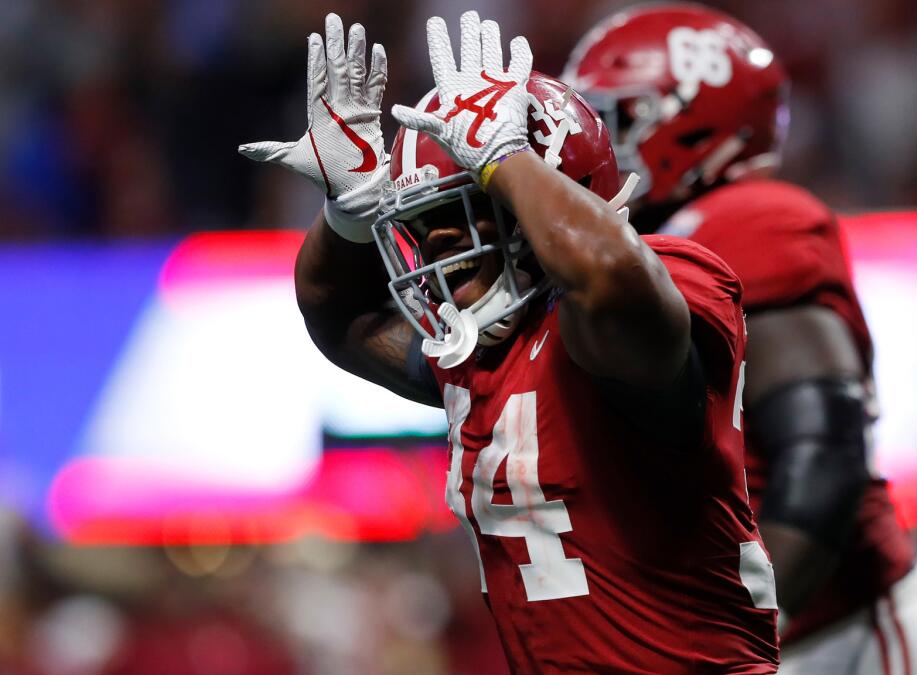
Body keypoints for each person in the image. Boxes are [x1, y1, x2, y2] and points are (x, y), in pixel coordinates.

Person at [241, 11, 779, 673]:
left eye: (459, 213)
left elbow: (606, 281)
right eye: (423, 222)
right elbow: (342, 321)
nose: (436, 244)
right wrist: (348, 216)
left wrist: (504, 160)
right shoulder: (484, 361)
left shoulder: (666, 283)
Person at [564, 5, 917, 674]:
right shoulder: (634, 254)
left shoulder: (746, 221)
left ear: (683, 120)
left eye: (608, 120)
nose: (584, 146)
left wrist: (747, 634)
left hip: (844, 632)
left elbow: (823, 453)